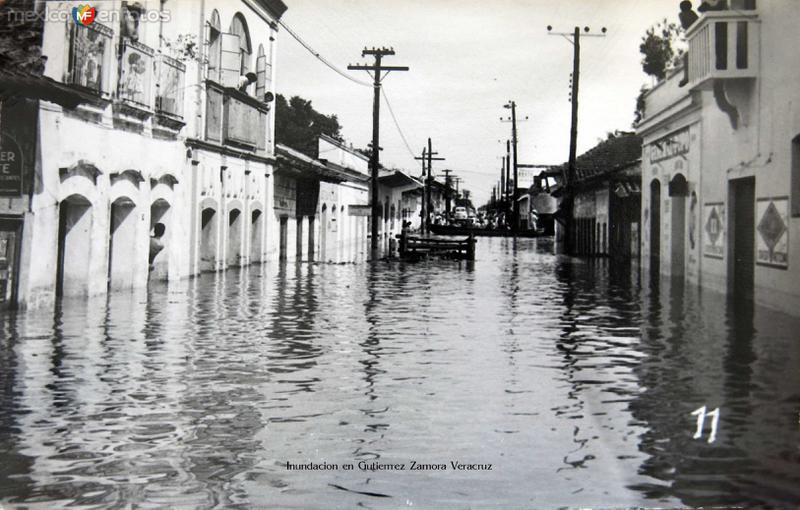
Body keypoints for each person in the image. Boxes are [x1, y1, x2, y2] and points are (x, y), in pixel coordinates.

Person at [678, 1, 700, 87]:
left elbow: (685, 25)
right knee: (687, 56)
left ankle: (686, 77)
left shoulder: (685, 14)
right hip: (695, 37)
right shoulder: (688, 14)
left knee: (687, 56)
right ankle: (686, 76)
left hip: (698, 36)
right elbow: (685, 25)